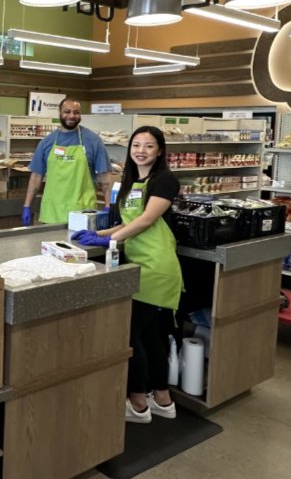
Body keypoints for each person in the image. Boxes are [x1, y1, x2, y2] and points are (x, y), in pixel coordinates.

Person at [73, 125, 181, 424]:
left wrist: (109, 240)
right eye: (136, 145)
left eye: (149, 146)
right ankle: (163, 400)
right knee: (151, 336)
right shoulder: (133, 182)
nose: (141, 151)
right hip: (139, 262)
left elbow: (146, 220)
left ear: (159, 150)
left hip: (156, 266)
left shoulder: (165, 181)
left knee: (131, 335)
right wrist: (97, 234)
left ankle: (138, 403)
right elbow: (128, 222)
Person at [20, 97, 112, 225]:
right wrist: (27, 205)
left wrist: (108, 206)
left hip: (83, 213)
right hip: (52, 212)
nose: (72, 116)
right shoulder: (46, 142)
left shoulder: (93, 141)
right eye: (67, 112)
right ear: (59, 113)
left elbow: (105, 179)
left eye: (76, 112)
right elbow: (36, 178)